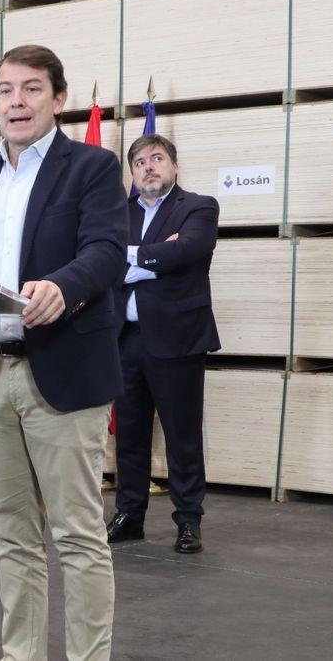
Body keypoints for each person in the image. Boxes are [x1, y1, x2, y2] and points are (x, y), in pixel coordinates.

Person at [0, 45, 128, 660]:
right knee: (11, 535)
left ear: (57, 99)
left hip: (62, 371)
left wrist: (62, 288)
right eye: (6, 90)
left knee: (77, 536)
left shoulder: (90, 166)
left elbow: (106, 251)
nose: (17, 101)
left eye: (31, 89)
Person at [106, 134, 220, 554]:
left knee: (182, 434)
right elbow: (104, 261)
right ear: (133, 173)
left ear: (174, 167)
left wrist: (132, 260)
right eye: (139, 162)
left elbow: (190, 250)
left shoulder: (198, 206)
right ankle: (129, 515)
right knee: (129, 434)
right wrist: (155, 259)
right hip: (125, 339)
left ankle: (188, 520)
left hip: (177, 339)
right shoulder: (118, 213)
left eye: (157, 159)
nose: (148, 167)